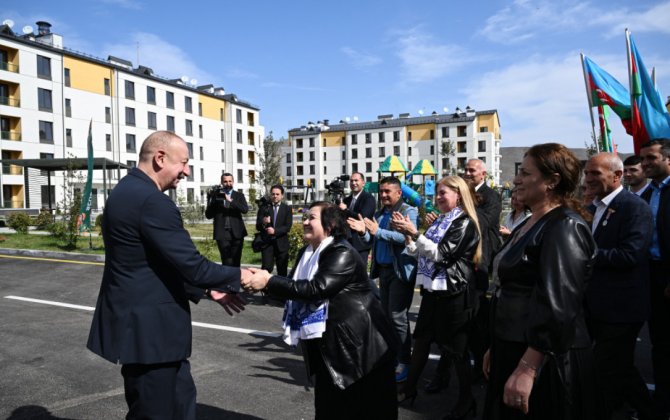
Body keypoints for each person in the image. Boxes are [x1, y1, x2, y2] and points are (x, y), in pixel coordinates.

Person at [87, 131, 248, 420]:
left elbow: (153, 262)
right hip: (151, 336)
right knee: (156, 413)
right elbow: (192, 264)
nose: (186, 171)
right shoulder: (152, 201)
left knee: (181, 405)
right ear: (160, 158)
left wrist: (206, 291)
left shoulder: (125, 190)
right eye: (184, 163)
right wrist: (245, 276)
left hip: (149, 335)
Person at [241, 203, 398, 420]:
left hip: (360, 352)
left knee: (367, 410)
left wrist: (269, 281)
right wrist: (259, 281)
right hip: (330, 350)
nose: (304, 221)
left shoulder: (341, 252)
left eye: (311, 218)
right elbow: (293, 289)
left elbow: (316, 289)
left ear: (330, 224)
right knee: (329, 409)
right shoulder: (307, 253)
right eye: (304, 217)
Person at [483, 143, 597, 419]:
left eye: (525, 173)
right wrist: (495, 347)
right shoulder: (530, 221)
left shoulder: (564, 225)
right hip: (512, 345)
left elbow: (558, 305)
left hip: (543, 359)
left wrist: (528, 368)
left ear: (552, 181)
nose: (517, 180)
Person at [391, 176, 481, 419]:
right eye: (438, 193)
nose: (438, 198)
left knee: (456, 351)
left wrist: (414, 233)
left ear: (458, 196)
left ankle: (466, 401)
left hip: (453, 293)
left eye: (443, 193)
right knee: (421, 341)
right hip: (433, 291)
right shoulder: (441, 220)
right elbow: (421, 252)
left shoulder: (464, 222)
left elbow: (442, 255)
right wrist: (410, 237)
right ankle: (409, 389)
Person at [583, 153, 660, 420]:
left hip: (621, 307)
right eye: (587, 173)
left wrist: (585, 256)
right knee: (618, 367)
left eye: (595, 173)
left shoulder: (634, 207)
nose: (589, 178)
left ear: (616, 176)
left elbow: (630, 255)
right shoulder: (593, 208)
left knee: (608, 366)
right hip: (596, 305)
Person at [348, 176, 418, 382]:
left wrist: (378, 231)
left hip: (399, 272)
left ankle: (404, 360)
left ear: (399, 193)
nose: (384, 195)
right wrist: (363, 233)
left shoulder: (408, 211)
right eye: (382, 191)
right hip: (384, 271)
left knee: (397, 317)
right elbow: (373, 238)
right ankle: (393, 355)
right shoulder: (380, 213)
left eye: (388, 191)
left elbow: (406, 239)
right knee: (387, 317)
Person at [640, 139, 670, 415]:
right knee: (660, 343)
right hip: (651, 275)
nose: (646, 163)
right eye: (643, 159)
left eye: (651, 158)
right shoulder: (648, 194)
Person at [205, 173, 249, 267]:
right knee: (226, 261)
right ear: (221, 182)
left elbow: (245, 210)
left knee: (236, 260)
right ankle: (228, 281)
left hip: (237, 233)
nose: (228, 183)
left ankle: (236, 280)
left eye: (230, 181)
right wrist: (213, 200)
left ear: (233, 182)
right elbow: (208, 215)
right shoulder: (216, 196)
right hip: (222, 233)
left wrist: (230, 200)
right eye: (225, 181)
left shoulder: (239, 195)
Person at [339, 171, 376, 264]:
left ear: (363, 183)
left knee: (360, 273)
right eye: (351, 181)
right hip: (346, 242)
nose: (353, 183)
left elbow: (363, 218)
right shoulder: (346, 200)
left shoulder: (368, 198)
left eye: (356, 180)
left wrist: (346, 210)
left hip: (360, 244)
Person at [256, 184, 293, 276]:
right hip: (267, 244)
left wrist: (275, 231)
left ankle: (280, 289)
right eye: (273, 194)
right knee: (266, 269)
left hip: (281, 243)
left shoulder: (287, 209)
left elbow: (287, 227)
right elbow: (258, 226)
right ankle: (265, 289)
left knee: (282, 270)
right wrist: (264, 222)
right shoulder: (264, 207)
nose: (275, 196)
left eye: (277, 194)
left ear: (282, 195)